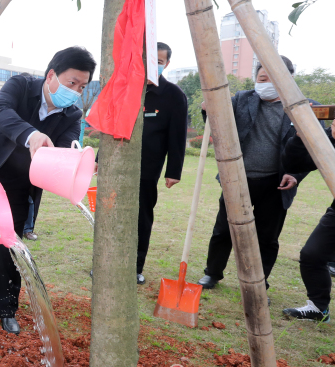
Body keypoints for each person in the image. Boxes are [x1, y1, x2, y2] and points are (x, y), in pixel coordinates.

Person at [0, 47, 95, 334]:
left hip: (20, 183)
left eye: (82, 87)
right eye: (72, 82)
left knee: (11, 245)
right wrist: (31, 134)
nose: (75, 91)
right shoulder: (20, 85)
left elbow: (64, 150)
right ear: (51, 75)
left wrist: (79, 165)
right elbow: (1, 112)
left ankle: (6, 308)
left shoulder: (72, 115)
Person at [198, 55, 318, 290]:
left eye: (274, 78)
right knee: (224, 229)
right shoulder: (242, 99)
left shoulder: (304, 107)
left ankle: (259, 282)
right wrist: (207, 109)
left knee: (267, 237)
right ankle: (212, 273)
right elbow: (218, 124)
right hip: (237, 179)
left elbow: (313, 148)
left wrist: (296, 175)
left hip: (276, 184)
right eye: (262, 78)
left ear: (288, 79)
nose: (267, 83)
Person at [135, 42, 188, 285]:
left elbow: (177, 136)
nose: (152, 64)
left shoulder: (173, 95)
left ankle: (135, 266)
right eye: (148, 59)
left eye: (158, 61)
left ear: (166, 64)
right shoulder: (128, 88)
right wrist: (99, 158)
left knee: (141, 218)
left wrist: (173, 171)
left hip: (147, 168)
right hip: (118, 168)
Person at [281, 125, 335, 321]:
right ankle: (319, 308)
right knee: (312, 254)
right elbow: (294, 164)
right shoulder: (330, 135)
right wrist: (301, 137)